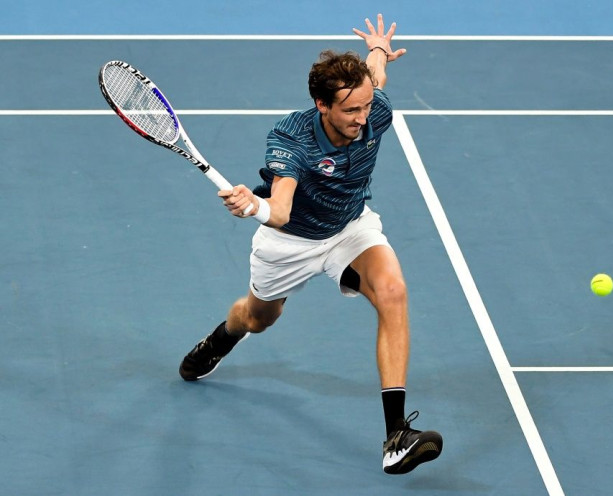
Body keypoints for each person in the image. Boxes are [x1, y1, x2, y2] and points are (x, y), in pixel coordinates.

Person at [178, 14, 442, 475]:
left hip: (349, 229)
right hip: (290, 243)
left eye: (364, 107)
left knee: (393, 293)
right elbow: (279, 209)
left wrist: (377, 50)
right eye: (350, 110)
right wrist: (253, 208)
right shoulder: (291, 139)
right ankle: (223, 336)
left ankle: (396, 437)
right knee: (259, 318)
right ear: (322, 105)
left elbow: (374, 78)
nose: (362, 118)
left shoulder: (374, 107)